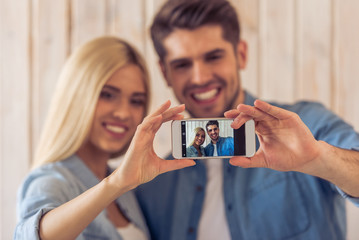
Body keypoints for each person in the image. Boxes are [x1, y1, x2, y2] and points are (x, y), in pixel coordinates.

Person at [135, 0, 359, 239]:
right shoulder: (153, 187)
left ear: (241, 55)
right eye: (182, 65)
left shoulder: (307, 126)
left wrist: (318, 158)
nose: (199, 77)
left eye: (213, 57)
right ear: (164, 73)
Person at [14, 36, 195, 240]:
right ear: (77, 96)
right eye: (108, 95)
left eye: (136, 101)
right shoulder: (51, 181)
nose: (123, 113)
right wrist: (116, 184)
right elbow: (30, 236)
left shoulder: (125, 191)